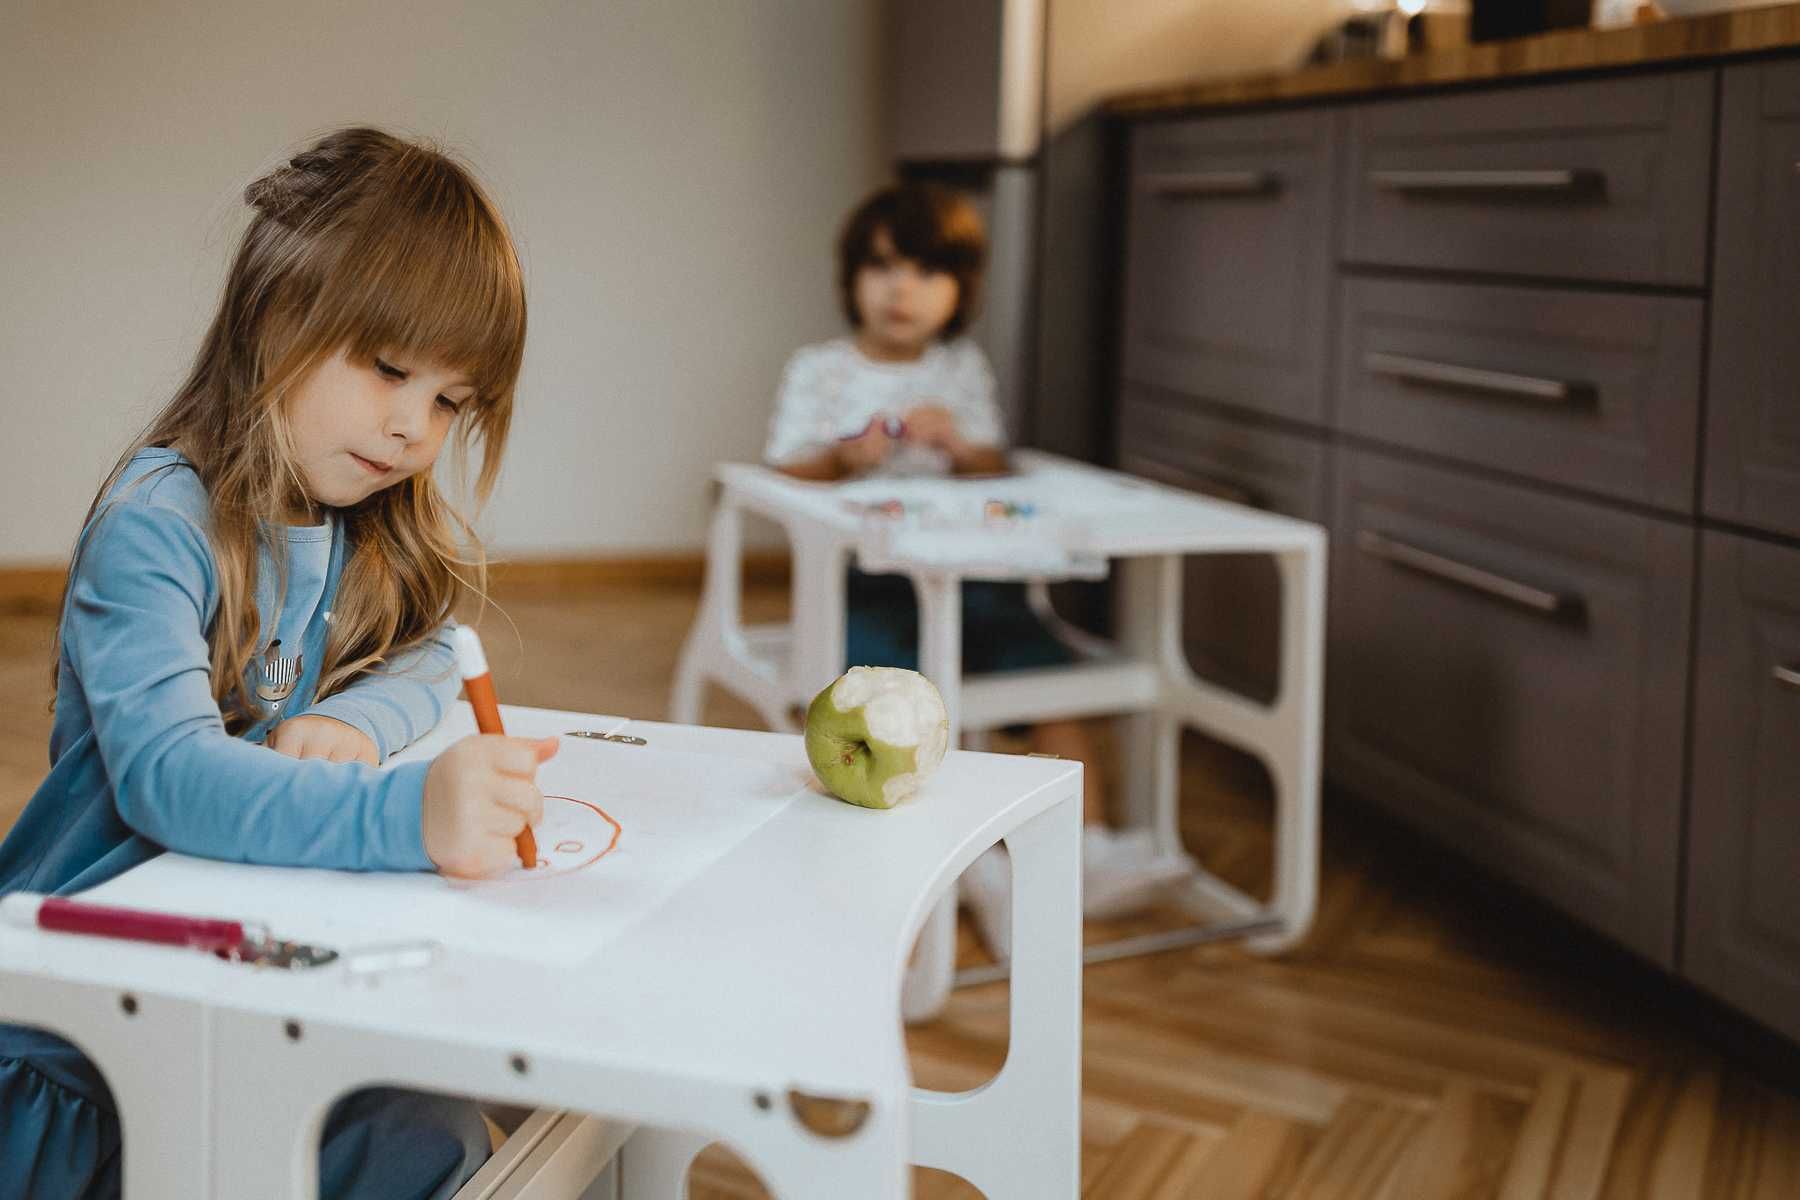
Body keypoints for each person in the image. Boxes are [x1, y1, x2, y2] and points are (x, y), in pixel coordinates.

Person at [0, 126, 553, 1200]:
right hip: (73, 1044)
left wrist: (363, 723)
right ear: (271, 320)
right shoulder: (158, 524)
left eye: (450, 403)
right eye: (389, 370)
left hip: (228, 990)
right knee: (422, 1137)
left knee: (449, 1124)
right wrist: (406, 820)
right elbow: (171, 779)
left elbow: (436, 654)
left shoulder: (360, 521)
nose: (410, 429)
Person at [764, 182, 1192, 962]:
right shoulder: (820, 369)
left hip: (975, 579)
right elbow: (784, 474)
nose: (902, 288)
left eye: (928, 272)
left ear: (960, 292)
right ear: (852, 278)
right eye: (885, 267)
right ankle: (970, 868)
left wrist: (962, 448)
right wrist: (842, 457)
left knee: (1048, 673)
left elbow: (998, 467)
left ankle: (1085, 847)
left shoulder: (961, 369)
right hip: (868, 580)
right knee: (892, 700)